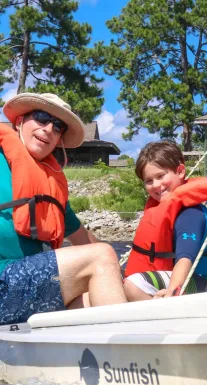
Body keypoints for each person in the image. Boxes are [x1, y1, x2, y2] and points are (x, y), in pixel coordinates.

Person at [0, 92, 127, 325]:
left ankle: (107, 357)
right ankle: (126, 353)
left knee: (100, 289)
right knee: (103, 256)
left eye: (57, 126)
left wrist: (117, 272)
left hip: (26, 288)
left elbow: (84, 241)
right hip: (4, 281)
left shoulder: (50, 187)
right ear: (19, 122)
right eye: (40, 118)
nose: (48, 129)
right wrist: (104, 258)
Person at [123, 140, 207, 301]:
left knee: (134, 284)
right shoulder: (166, 210)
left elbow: (185, 257)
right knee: (116, 288)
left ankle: (160, 322)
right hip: (192, 279)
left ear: (180, 171)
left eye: (161, 176)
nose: (156, 185)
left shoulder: (190, 213)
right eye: (149, 181)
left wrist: (173, 291)